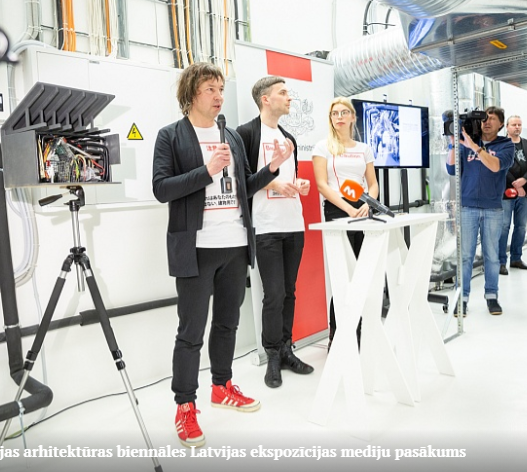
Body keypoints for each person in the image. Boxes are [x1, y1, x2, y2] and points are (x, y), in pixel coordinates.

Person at [152, 62, 292, 447]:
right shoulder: (171, 136)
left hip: (234, 244)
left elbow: (244, 185)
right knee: (190, 333)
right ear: (191, 94)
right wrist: (206, 170)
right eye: (210, 89)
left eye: (221, 89)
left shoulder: (229, 135)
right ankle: (185, 406)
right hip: (196, 249)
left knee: (227, 324)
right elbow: (161, 188)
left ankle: (222, 386)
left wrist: (272, 168)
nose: (219, 96)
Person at [236, 76, 314, 389]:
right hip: (266, 226)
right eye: (283, 93)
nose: (289, 98)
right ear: (265, 99)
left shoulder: (288, 137)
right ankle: (271, 355)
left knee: (290, 292)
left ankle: (286, 349)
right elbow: (241, 182)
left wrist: (298, 185)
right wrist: (273, 183)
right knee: (274, 294)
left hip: (293, 224)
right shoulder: (245, 134)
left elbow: (290, 178)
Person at [312, 97, 379, 351]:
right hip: (337, 211)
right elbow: (322, 185)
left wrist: (368, 203)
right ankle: (337, 338)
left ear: (352, 117)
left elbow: (372, 183)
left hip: (363, 209)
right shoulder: (322, 147)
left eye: (343, 112)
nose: (339, 117)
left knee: (361, 275)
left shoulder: (364, 148)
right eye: (334, 113)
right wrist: (348, 209)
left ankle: (359, 334)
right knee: (343, 277)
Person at [446, 106, 514, 316]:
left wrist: (474, 147)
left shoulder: (505, 145)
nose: (487, 122)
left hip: (493, 207)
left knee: (492, 255)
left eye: (492, 118)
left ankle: (492, 296)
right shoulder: (467, 142)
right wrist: (454, 144)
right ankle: (462, 298)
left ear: (501, 124)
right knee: (465, 255)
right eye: (484, 118)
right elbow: (451, 168)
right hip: (468, 206)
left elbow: (495, 166)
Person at [499, 115, 527, 275]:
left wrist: (524, 180)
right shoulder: (500, 144)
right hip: (506, 192)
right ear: (507, 127)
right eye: (514, 124)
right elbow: (501, 166)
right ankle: (501, 262)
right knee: (504, 227)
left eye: (519, 124)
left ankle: (516, 258)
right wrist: (516, 185)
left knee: (521, 227)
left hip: (525, 192)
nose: (517, 127)